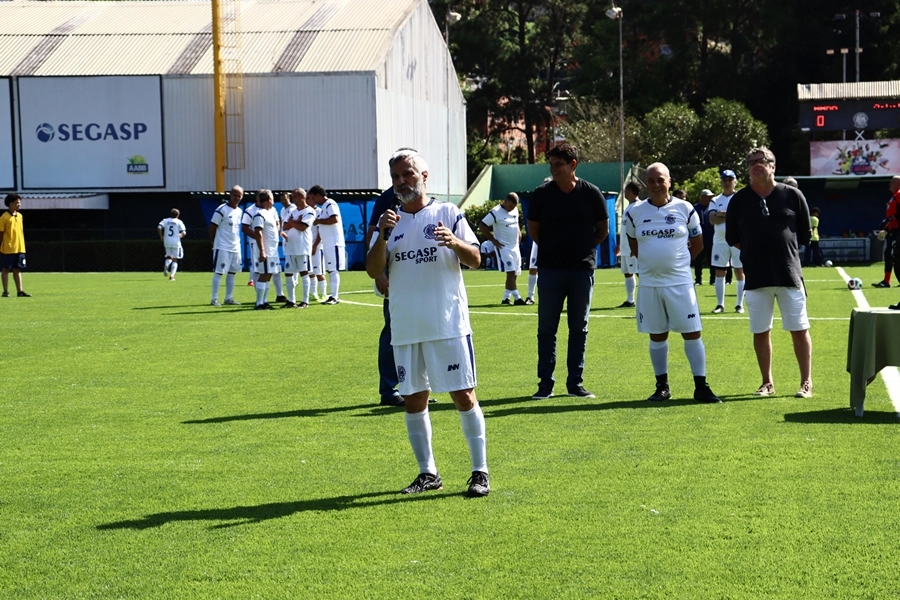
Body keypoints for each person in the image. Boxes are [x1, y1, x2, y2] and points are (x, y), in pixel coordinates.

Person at [366, 149, 489, 497]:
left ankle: (480, 472)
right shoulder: (390, 222)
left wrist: (455, 242)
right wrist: (384, 236)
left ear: (424, 175)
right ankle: (428, 473)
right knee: (413, 400)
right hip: (406, 327)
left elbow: (477, 259)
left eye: (407, 174)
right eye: (395, 178)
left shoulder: (448, 213)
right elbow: (374, 270)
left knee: (463, 396)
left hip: (446, 323)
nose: (401, 182)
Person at [625, 163, 721, 403]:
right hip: (649, 285)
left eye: (660, 180)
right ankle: (662, 387)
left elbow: (698, 243)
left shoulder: (685, 208)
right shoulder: (634, 212)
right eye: (651, 181)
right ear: (646, 184)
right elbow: (634, 245)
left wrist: (676, 264)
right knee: (657, 335)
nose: (656, 185)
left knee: (692, 333)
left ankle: (701, 387)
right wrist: (652, 263)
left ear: (669, 181)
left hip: (680, 283)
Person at [725, 147, 813, 398]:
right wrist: (757, 250)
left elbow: (804, 235)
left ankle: (806, 382)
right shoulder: (739, 200)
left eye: (762, 161)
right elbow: (734, 237)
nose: (756, 165)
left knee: (799, 329)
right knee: (760, 331)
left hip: (789, 275)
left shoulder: (793, 195)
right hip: (756, 277)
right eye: (751, 161)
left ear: (773, 166)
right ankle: (767, 382)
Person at [526, 142, 609, 400]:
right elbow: (533, 230)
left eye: (558, 164)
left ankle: (575, 383)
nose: (553, 169)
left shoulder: (592, 193)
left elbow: (602, 231)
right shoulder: (541, 194)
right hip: (550, 270)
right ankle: (545, 384)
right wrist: (554, 250)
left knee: (579, 327)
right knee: (547, 329)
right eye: (551, 164)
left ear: (573, 165)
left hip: (581, 271)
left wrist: (583, 250)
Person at [708, 169, 745, 313]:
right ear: (721, 182)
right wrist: (730, 215)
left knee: (739, 270)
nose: (727, 182)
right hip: (720, 241)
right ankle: (720, 304)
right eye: (725, 180)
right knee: (719, 271)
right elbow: (712, 219)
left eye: (730, 179)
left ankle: (739, 304)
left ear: (735, 181)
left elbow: (742, 217)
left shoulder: (740, 198)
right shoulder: (715, 200)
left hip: (737, 239)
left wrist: (722, 214)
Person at [479, 192, 525, 305]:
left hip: (515, 246)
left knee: (515, 273)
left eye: (514, 207)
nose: (511, 209)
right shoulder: (495, 212)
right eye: (510, 206)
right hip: (503, 247)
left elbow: (516, 223)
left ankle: (506, 298)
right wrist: (493, 240)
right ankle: (517, 298)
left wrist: (519, 234)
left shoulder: (514, 210)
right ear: (506, 201)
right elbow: (482, 225)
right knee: (511, 271)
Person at [209, 185, 244, 306]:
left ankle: (228, 298)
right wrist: (213, 243)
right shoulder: (221, 209)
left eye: (239, 196)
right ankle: (214, 299)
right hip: (222, 246)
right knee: (219, 272)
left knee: (232, 273)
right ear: (230, 195)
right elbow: (212, 226)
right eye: (235, 195)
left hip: (235, 247)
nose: (237, 198)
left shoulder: (239, 211)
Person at [310, 185, 345, 305]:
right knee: (331, 270)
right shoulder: (324, 206)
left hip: (334, 242)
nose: (314, 201)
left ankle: (335, 297)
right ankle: (332, 296)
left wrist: (319, 221)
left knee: (333, 270)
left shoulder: (330, 204)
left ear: (319, 195)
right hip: (328, 243)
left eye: (314, 198)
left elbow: (334, 219)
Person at [282, 188, 315, 308]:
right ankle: (291, 301)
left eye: (294, 197)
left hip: (302, 247)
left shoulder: (309, 211)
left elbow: (303, 227)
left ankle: (305, 301)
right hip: (290, 246)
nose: (293, 200)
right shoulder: (292, 211)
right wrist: (294, 222)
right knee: (288, 273)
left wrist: (292, 222)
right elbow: (285, 226)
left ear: (302, 197)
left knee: (304, 272)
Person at [251, 189, 281, 310]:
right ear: (269, 199)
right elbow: (258, 232)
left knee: (268, 274)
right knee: (264, 275)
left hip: (272, 250)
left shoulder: (270, 213)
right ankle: (259, 303)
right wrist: (262, 250)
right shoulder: (260, 214)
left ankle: (264, 300)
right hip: (267, 250)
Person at [615, 181, 641, 308]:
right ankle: (630, 300)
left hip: (632, 248)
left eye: (626, 190)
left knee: (640, 272)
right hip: (625, 248)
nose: (625, 193)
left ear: (630, 191)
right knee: (628, 272)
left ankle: (646, 299)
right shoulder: (629, 207)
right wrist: (620, 245)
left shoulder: (638, 207)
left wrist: (635, 245)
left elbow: (638, 228)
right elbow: (626, 229)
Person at [0, 194, 30, 298]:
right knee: (6, 269)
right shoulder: (4, 217)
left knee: (17, 269)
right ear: (10, 203)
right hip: (8, 248)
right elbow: (1, 233)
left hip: (19, 247)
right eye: (17, 202)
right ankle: (6, 291)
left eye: (19, 202)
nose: (19, 204)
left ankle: (20, 291)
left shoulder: (20, 216)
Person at [872, 176, 900, 288]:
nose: (889, 184)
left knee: (893, 255)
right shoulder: (893, 197)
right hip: (893, 230)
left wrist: (890, 219)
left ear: (898, 184)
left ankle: (887, 281)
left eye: (891, 182)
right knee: (889, 255)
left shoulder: (898, 195)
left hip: (898, 231)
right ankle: (886, 280)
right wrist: (886, 229)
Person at [692, 189, 716, 286]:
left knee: (712, 260)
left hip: (711, 238)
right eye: (708, 197)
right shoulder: (696, 208)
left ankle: (713, 280)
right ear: (703, 197)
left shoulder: (712, 207)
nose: (710, 199)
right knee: (698, 261)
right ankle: (698, 280)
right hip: (700, 238)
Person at [157, 208, 186, 281]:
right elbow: (184, 232)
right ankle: (172, 276)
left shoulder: (165, 220)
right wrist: (180, 236)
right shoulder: (179, 221)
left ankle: (167, 264)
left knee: (169, 257)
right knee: (175, 259)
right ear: (178, 215)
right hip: (176, 242)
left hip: (167, 241)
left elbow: (159, 227)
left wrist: (161, 237)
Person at [241, 194, 261, 287]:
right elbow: (245, 227)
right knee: (255, 261)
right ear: (256, 198)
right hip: (254, 241)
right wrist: (256, 237)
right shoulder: (250, 210)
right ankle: (252, 279)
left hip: (267, 241)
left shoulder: (270, 209)